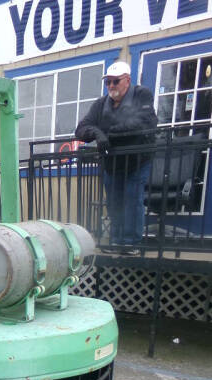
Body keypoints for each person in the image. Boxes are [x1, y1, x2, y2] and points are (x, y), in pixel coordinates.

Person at [75, 61, 158, 251]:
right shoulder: (100, 104)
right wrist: (97, 134)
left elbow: (144, 123)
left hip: (137, 160)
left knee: (132, 198)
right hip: (111, 164)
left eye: (115, 81)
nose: (111, 86)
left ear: (127, 80)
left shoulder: (141, 94)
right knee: (114, 201)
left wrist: (108, 133)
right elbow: (81, 129)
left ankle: (130, 242)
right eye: (108, 82)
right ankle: (116, 239)